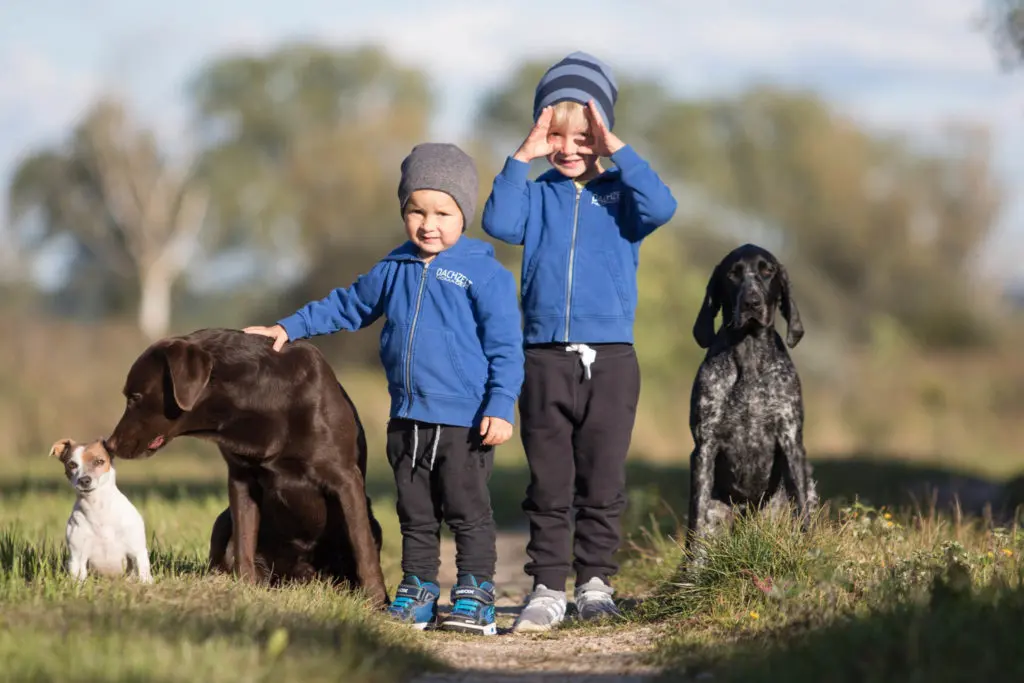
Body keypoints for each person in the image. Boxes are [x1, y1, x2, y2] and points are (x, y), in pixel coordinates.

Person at [245, 142, 524, 637]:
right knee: (414, 513)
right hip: (408, 418)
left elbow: (506, 347)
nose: (428, 224)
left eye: (443, 212)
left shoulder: (484, 274)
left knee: (466, 511)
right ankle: (418, 590)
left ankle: (476, 593)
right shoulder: (393, 268)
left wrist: (501, 406)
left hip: (465, 420)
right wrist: (288, 328)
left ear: (465, 213)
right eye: (415, 211)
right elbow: (347, 305)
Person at [481, 51, 678, 632]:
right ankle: (547, 585)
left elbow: (663, 205)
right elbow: (497, 223)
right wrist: (522, 155)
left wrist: (617, 150)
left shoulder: (623, 194)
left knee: (603, 478)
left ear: (603, 132)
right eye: (556, 135)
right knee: (549, 480)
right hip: (542, 357)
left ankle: (596, 582)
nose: (569, 148)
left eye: (582, 136)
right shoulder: (537, 192)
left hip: (612, 359)